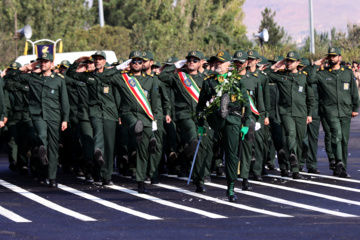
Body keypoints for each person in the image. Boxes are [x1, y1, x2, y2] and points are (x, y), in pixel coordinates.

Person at [5, 53, 70, 187]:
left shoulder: (58, 80)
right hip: (38, 115)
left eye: (46, 62)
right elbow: (8, 78)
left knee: (53, 147)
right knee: (41, 135)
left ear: (52, 64)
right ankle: (42, 149)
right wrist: (26, 67)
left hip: (54, 116)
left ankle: (51, 177)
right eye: (41, 61)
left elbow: (64, 101)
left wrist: (65, 119)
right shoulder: (32, 77)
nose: (43, 64)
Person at [197, 50, 251, 202]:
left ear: (229, 65)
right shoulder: (209, 82)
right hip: (213, 119)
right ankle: (199, 180)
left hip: (233, 120)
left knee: (232, 154)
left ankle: (231, 187)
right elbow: (200, 105)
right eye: (215, 62)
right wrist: (200, 124)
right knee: (206, 148)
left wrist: (246, 124)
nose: (217, 65)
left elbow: (246, 104)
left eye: (221, 62)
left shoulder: (236, 81)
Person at [159, 50, 214, 192]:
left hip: (203, 115)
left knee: (204, 145)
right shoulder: (179, 77)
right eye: (188, 59)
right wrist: (176, 65)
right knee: (193, 139)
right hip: (185, 115)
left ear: (201, 62)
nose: (191, 62)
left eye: (195, 60)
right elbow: (163, 76)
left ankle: (200, 175)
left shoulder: (207, 78)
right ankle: (198, 176)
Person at [67, 51, 119, 185]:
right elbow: (70, 74)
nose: (97, 61)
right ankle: (97, 161)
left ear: (105, 62)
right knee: (98, 136)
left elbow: (118, 94)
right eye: (95, 59)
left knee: (109, 145)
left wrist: (120, 114)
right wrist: (78, 61)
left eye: (100, 59)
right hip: (95, 111)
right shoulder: (88, 77)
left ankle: (106, 176)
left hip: (110, 113)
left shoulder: (112, 76)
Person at [312, 47, 359, 178]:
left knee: (344, 140)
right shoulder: (322, 74)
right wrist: (316, 64)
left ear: (340, 58)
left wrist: (355, 108)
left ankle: (341, 167)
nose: (332, 58)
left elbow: (353, 91)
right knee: (336, 135)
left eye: (334, 56)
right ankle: (338, 161)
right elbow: (310, 79)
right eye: (330, 56)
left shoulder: (347, 73)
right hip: (330, 110)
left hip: (345, 110)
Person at [269, 51, 315, 179]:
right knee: (290, 134)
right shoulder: (281, 75)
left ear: (298, 63)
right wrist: (276, 65)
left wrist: (310, 114)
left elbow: (311, 98)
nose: (289, 63)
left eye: (292, 61)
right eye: (287, 61)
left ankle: (295, 170)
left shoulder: (303, 77)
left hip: (301, 113)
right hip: (286, 112)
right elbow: (265, 75)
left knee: (299, 140)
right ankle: (293, 157)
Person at [233, 50, 265, 190]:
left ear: (246, 63)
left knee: (247, 149)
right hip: (233, 117)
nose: (238, 65)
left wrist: (259, 118)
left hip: (248, 119)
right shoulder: (229, 79)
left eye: (241, 63)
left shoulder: (254, 79)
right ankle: (233, 176)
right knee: (233, 149)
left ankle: (245, 178)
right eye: (236, 63)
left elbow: (259, 102)